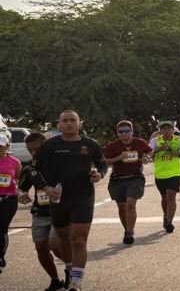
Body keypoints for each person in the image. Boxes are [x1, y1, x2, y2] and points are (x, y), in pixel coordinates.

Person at [29, 110, 108, 291]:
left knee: (78, 239)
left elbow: (102, 163)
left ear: (80, 123)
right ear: (59, 125)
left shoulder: (90, 144)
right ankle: (70, 268)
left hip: (83, 197)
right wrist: (46, 188)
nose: (69, 123)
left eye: (73, 120)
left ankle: (76, 282)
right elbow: (32, 170)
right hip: (58, 199)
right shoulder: (49, 145)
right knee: (64, 240)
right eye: (65, 120)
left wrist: (100, 173)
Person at [18, 132, 66, 290]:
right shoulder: (30, 167)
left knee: (55, 243)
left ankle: (71, 267)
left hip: (61, 211)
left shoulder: (61, 163)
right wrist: (22, 194)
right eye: (30, 150)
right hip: (40, 212)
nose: (33, 153)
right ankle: (55, 280)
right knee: (41, 248)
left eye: (37, 149)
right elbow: (22, 188)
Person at [104, 120, 152, 245]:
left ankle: (130, 232)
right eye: (121, 132)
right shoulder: (112, 146)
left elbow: (149, 152)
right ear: (117, 133)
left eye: (127, 131)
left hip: (135, 178)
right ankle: (126, 229)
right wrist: (119, 158)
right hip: (118, 179)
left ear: (132, 132)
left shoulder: (139, 143)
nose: (124, 134)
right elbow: (106, 161)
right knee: (122, 208)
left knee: (131, 204)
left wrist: (146, 158)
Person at [149, 121, 180, 233]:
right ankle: (165, 216)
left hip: (175, 173)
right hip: (160, 173)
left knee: (171, 197)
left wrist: (179, 154)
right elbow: (149, 155)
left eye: (169, 128)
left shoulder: (179, 140)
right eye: (164, 129)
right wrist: (158, 149)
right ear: (160, 131)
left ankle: (169, 222)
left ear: (173, 130)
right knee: (164, 198)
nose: (166, 131)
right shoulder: (155, 141)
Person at [0, 135, 21, 274]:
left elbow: (18, 178)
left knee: (1, 228)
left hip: (9, 199)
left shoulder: (15, 162)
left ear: (7, 147)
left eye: (1, 146)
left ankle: (0, 257)